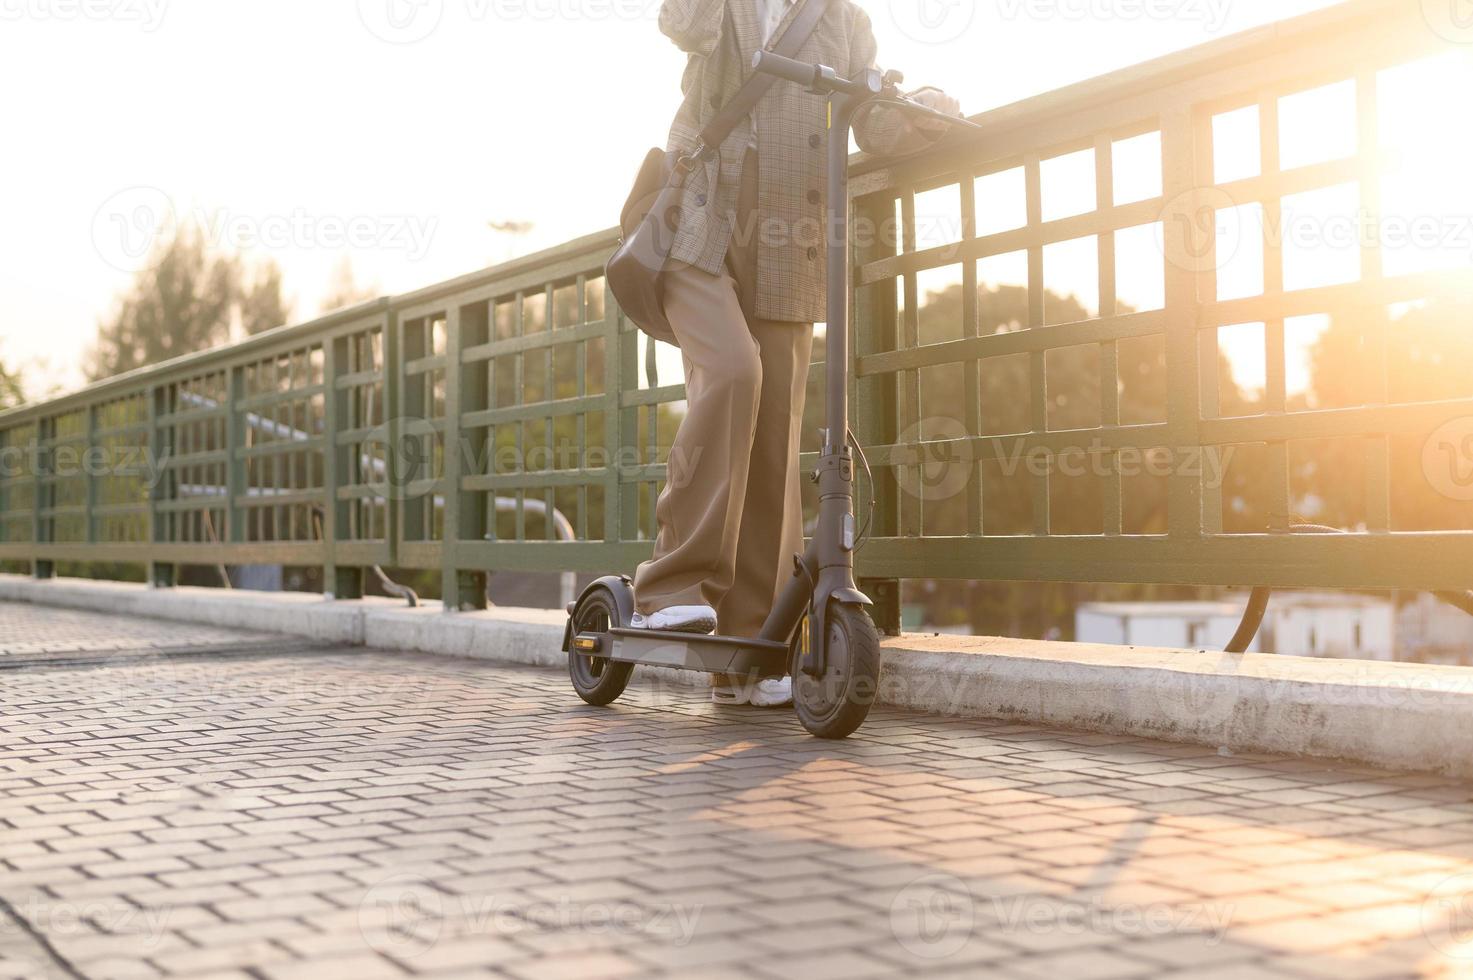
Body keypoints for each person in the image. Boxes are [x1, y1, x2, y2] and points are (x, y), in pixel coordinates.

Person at [632, 0, 962, 707]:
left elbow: (867, 117)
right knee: (730, 372)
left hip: (791, 238)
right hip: (699, 223)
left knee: (775, 434)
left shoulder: (842, 19)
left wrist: (924, 110)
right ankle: (668, 585)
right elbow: (679, 23)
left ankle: (746, 650)